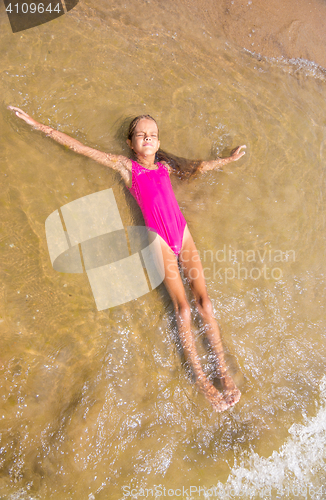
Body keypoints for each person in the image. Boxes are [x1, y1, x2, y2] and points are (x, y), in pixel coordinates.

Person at [8, 106, 246, 411]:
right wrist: (39, 126)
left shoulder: (166, 167)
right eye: (141, 135)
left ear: (158, 143)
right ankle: (202, 381)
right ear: (131, 144)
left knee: (205, 303)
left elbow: (198, 167)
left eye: (153, 135)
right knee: (183, 308)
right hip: (158, 240)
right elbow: (81, 149)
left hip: (182, 233)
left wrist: (228, 159)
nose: (148, 138)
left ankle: (224, 375)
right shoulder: (126, 167)